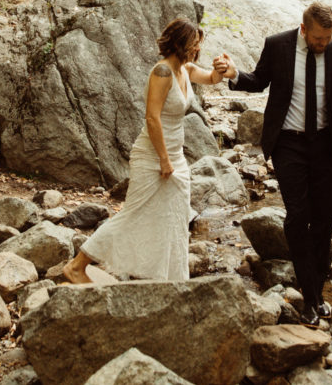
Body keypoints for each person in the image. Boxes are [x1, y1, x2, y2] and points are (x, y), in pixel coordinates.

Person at [214, 2, 332, 326]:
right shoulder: (278, 45)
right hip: (287, 142)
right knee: (299, 217)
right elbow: (259, 80)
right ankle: (311, 299)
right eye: (317, 38)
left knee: (326, 217)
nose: (323, 44)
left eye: (327, 38)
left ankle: (313, 288)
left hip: (323, 142)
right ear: (304, 29)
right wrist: (234, 75)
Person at [62, 18, 223, 283]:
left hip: (176, 156)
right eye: (193, 45)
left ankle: (168, 279)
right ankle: (77, 266)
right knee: (134, 213)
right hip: (153, 156)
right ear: (180, 44)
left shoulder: (186, 69)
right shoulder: (162, 72)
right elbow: (152, 118)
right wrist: (164, 160)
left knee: (174, 216)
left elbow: (212, 78)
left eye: (198, 45)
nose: (197, 50)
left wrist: (222, 69)